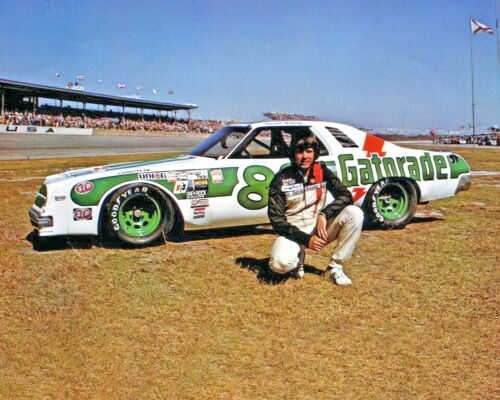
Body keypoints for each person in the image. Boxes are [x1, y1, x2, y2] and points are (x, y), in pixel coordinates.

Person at [267, 132, 364, 285]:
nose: (304, 156)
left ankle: (335, 267)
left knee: (355, 213)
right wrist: (306, 239)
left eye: (309, 151)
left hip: (319, 228)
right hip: (293, 231)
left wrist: (324, 214)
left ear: (315, 153)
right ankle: (297, 259)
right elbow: (276, 220)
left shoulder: (322, 171)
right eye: (299, 151)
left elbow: (345, 195)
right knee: (279, 264)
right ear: (293, 154)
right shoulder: (281, 178)